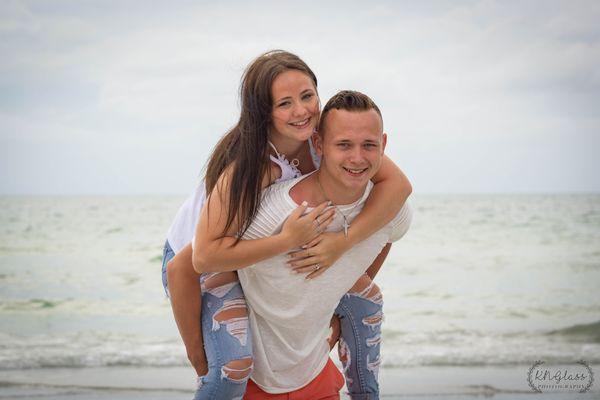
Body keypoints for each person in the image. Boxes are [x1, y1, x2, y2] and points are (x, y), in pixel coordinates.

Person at [162, 51, 412, 399]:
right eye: (284, 103)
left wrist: (343, 244)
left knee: (366, 302)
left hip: (252, 251)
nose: (301, 110)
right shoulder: (253, 169)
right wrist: (198, 355)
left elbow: (399, 188)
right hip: (201, 264)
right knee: (230, 368)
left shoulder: (324, 139)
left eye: (307, 96)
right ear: (264, 111)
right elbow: (193, 263)